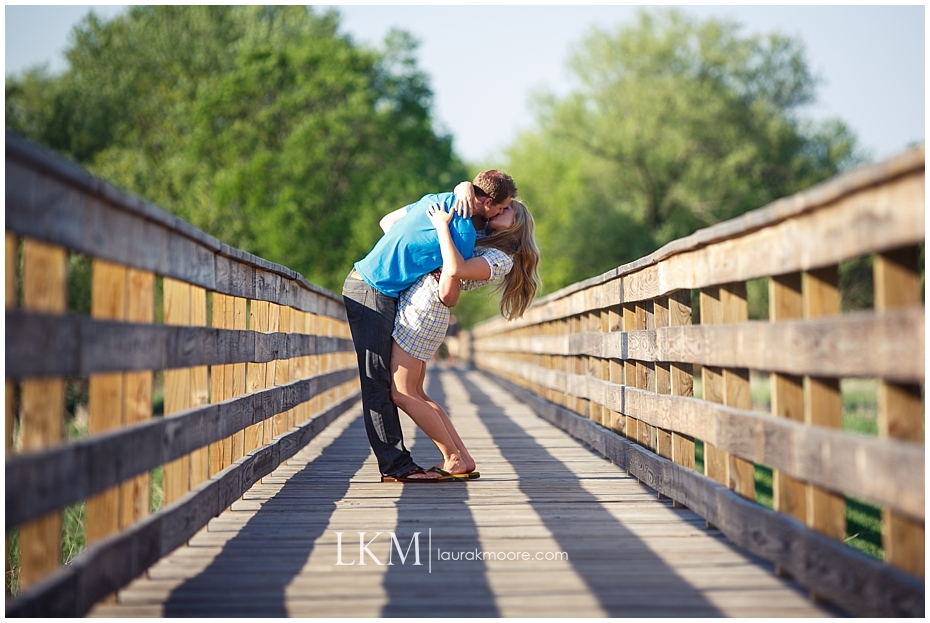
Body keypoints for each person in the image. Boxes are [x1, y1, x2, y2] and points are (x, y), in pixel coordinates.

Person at [342, 171, 517, 483]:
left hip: (375, 285)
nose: (505, 211)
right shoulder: (462, 237)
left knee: (397, 387)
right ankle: (397, 467)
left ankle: (456, 458)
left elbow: (387, 223)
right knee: (380, 385)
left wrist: (403, 260)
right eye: (503, 207)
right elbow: (450, 288)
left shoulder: (437, 201)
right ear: (487, 203)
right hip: (373, 290)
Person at [390, 195, 540, 481]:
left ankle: (453, 458)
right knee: (417, 392)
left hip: (426, 311)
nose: (500, 208)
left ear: (516, 222)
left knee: (402, 393)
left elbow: (456, 269)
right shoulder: (487, 240)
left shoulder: (501, 258)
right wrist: (462, 189)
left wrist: (441, 226)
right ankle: (461, 457)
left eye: (507, 209)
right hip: (427, 307)